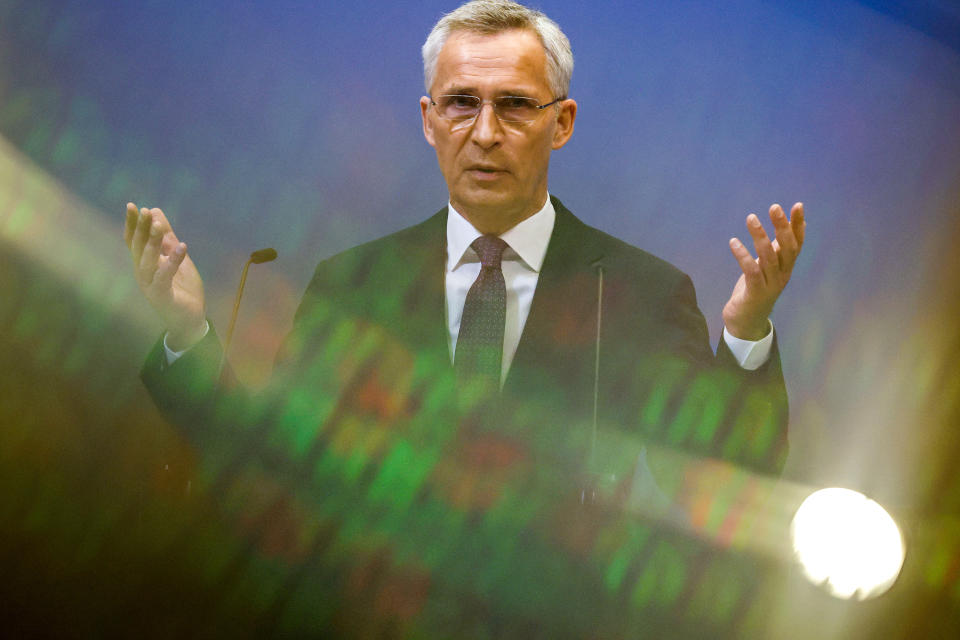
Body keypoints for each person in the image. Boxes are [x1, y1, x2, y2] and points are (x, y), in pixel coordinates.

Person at [123, 1, 804, 635]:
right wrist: (189, 334)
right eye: (460, 104)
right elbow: (274, 465)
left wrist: (745, 333)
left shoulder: (640, 292)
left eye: (513, 105)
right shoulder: (355, 283)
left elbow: (724, 475)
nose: (484, 133)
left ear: (561, 123)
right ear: (427, 119)